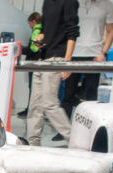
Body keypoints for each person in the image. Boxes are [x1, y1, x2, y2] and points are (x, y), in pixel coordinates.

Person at [27, 0, 79, 146]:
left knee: (49, 103)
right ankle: (33, 144)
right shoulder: (47, 2)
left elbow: (72, 32)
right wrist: (41, 38)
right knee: (35, 105)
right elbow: (46, 30)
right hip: (43, 57)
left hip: (57, 57)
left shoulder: (69, 2)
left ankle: (75, 141)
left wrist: (67, 62)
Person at [61, 0, 113, 119]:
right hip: (74, 52)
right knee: (68, 93)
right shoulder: (74, 3)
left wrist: (104, 52)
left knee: (91, 92)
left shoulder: (107, 5)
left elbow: (111, 31)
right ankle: (64, 129)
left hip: (95, 54)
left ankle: (90, 125)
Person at [17, 12, 44, 118]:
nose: (29, 26)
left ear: (33, 21)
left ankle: (30, 110)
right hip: (38, 62)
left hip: (33, 62)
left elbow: (33, 48)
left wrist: (20, 49)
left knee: (33, 87)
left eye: (29, 23)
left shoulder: (36, 31)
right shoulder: (42, 30)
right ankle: (32, 110)